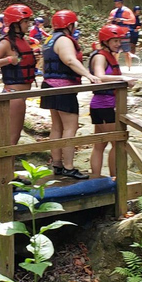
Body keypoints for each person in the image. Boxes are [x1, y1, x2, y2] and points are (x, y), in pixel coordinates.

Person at [41, 10, 100, 179]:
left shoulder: (49, 40)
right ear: (69, 25)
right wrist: (88, 75)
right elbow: (69, 60)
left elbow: (45, 65)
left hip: (50, 86)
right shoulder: (65, 40)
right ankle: (68, 166)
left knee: (57, 126)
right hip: (63, 89)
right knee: (70, 127)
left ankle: (57, 164)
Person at [0, 4, 36, 148]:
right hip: (13, 96)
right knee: (11, 140)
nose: (28, 24)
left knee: (12, 139)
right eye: (25, 21)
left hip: (19, 96)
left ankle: (6, 170)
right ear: (15, 24)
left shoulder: (22, 41)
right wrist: (8, 60)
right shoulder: (6, 43)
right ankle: (5, 170)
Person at [88, 25, 135, 177]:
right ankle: (115, 178)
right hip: (103, 105)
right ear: (105, 41)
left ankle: (97, 177)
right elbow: (99, 76)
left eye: (118, 40)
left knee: (100, 143)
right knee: (116, 142)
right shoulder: (100, 56)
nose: (117, 44)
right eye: (114, 40)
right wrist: (123, 77)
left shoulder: (109, 55)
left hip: (103, 105)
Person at [108, 0, 136, 70]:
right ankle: (115, 67)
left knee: (127, 51)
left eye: (118, 3)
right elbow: (109, 20)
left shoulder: (127, 11)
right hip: (115, 34)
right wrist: (112, 20)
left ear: (121, 3)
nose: (116, 5)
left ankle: (129, 68)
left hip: (124, 33)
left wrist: (122, 20)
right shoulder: (113, 12)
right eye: (116, 3)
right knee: (115, 52)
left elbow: (133, 21)